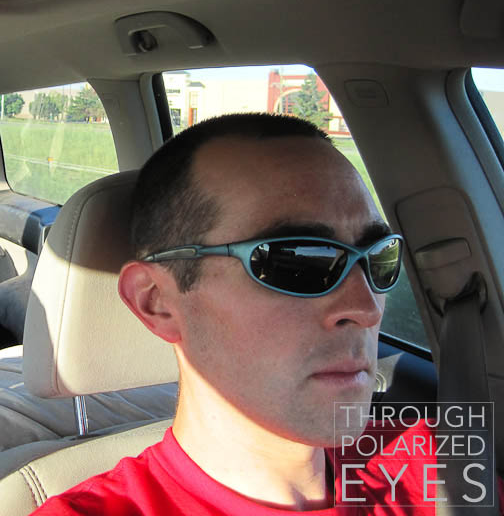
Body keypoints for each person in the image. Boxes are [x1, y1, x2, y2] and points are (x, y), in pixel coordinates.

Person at [30, 113, 497, 514]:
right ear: (156, 300)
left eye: (379, 258)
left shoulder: (439, 465)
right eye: (297, 261)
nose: (366, 308)